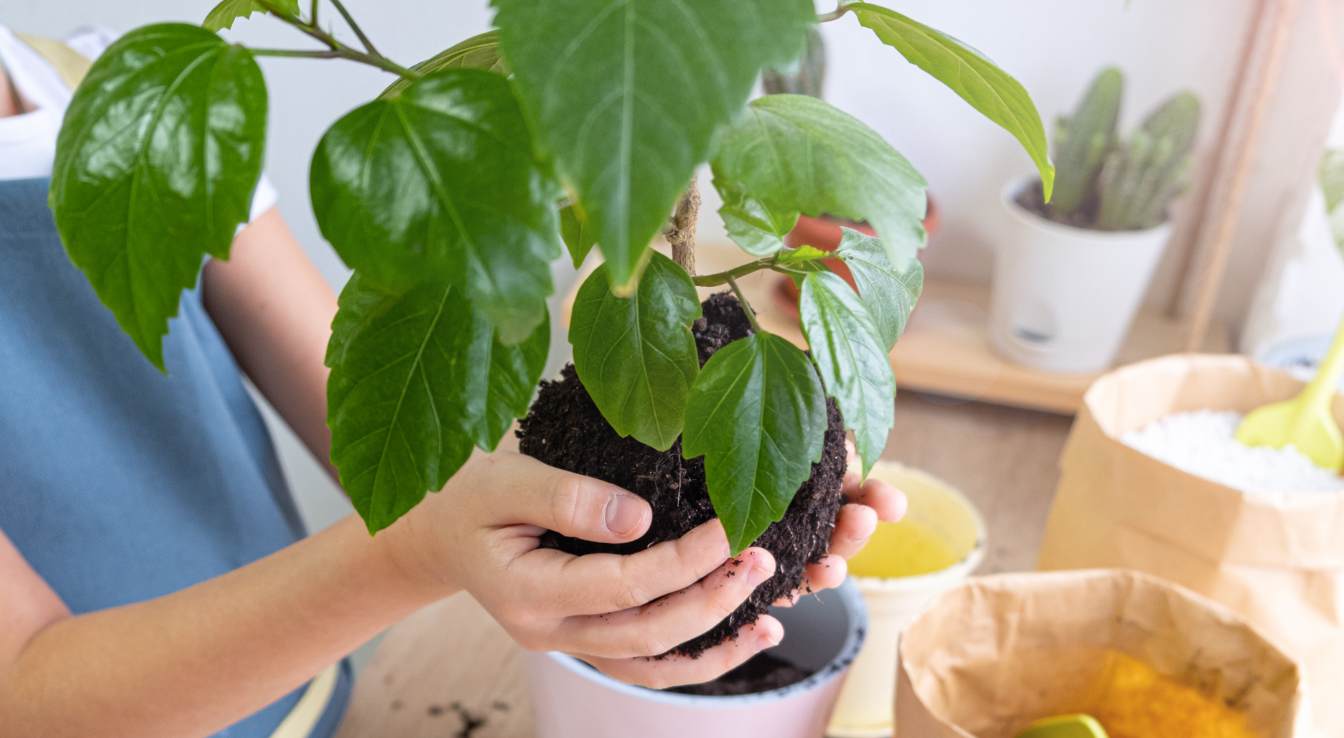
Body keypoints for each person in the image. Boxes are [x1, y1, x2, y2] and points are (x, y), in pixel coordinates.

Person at [0, 24, 906, 738]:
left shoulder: (122, 89)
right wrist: (423, 552)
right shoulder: (160, 86)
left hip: (315, 704)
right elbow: (24, 696)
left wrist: (763, 445)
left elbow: (385, 430)